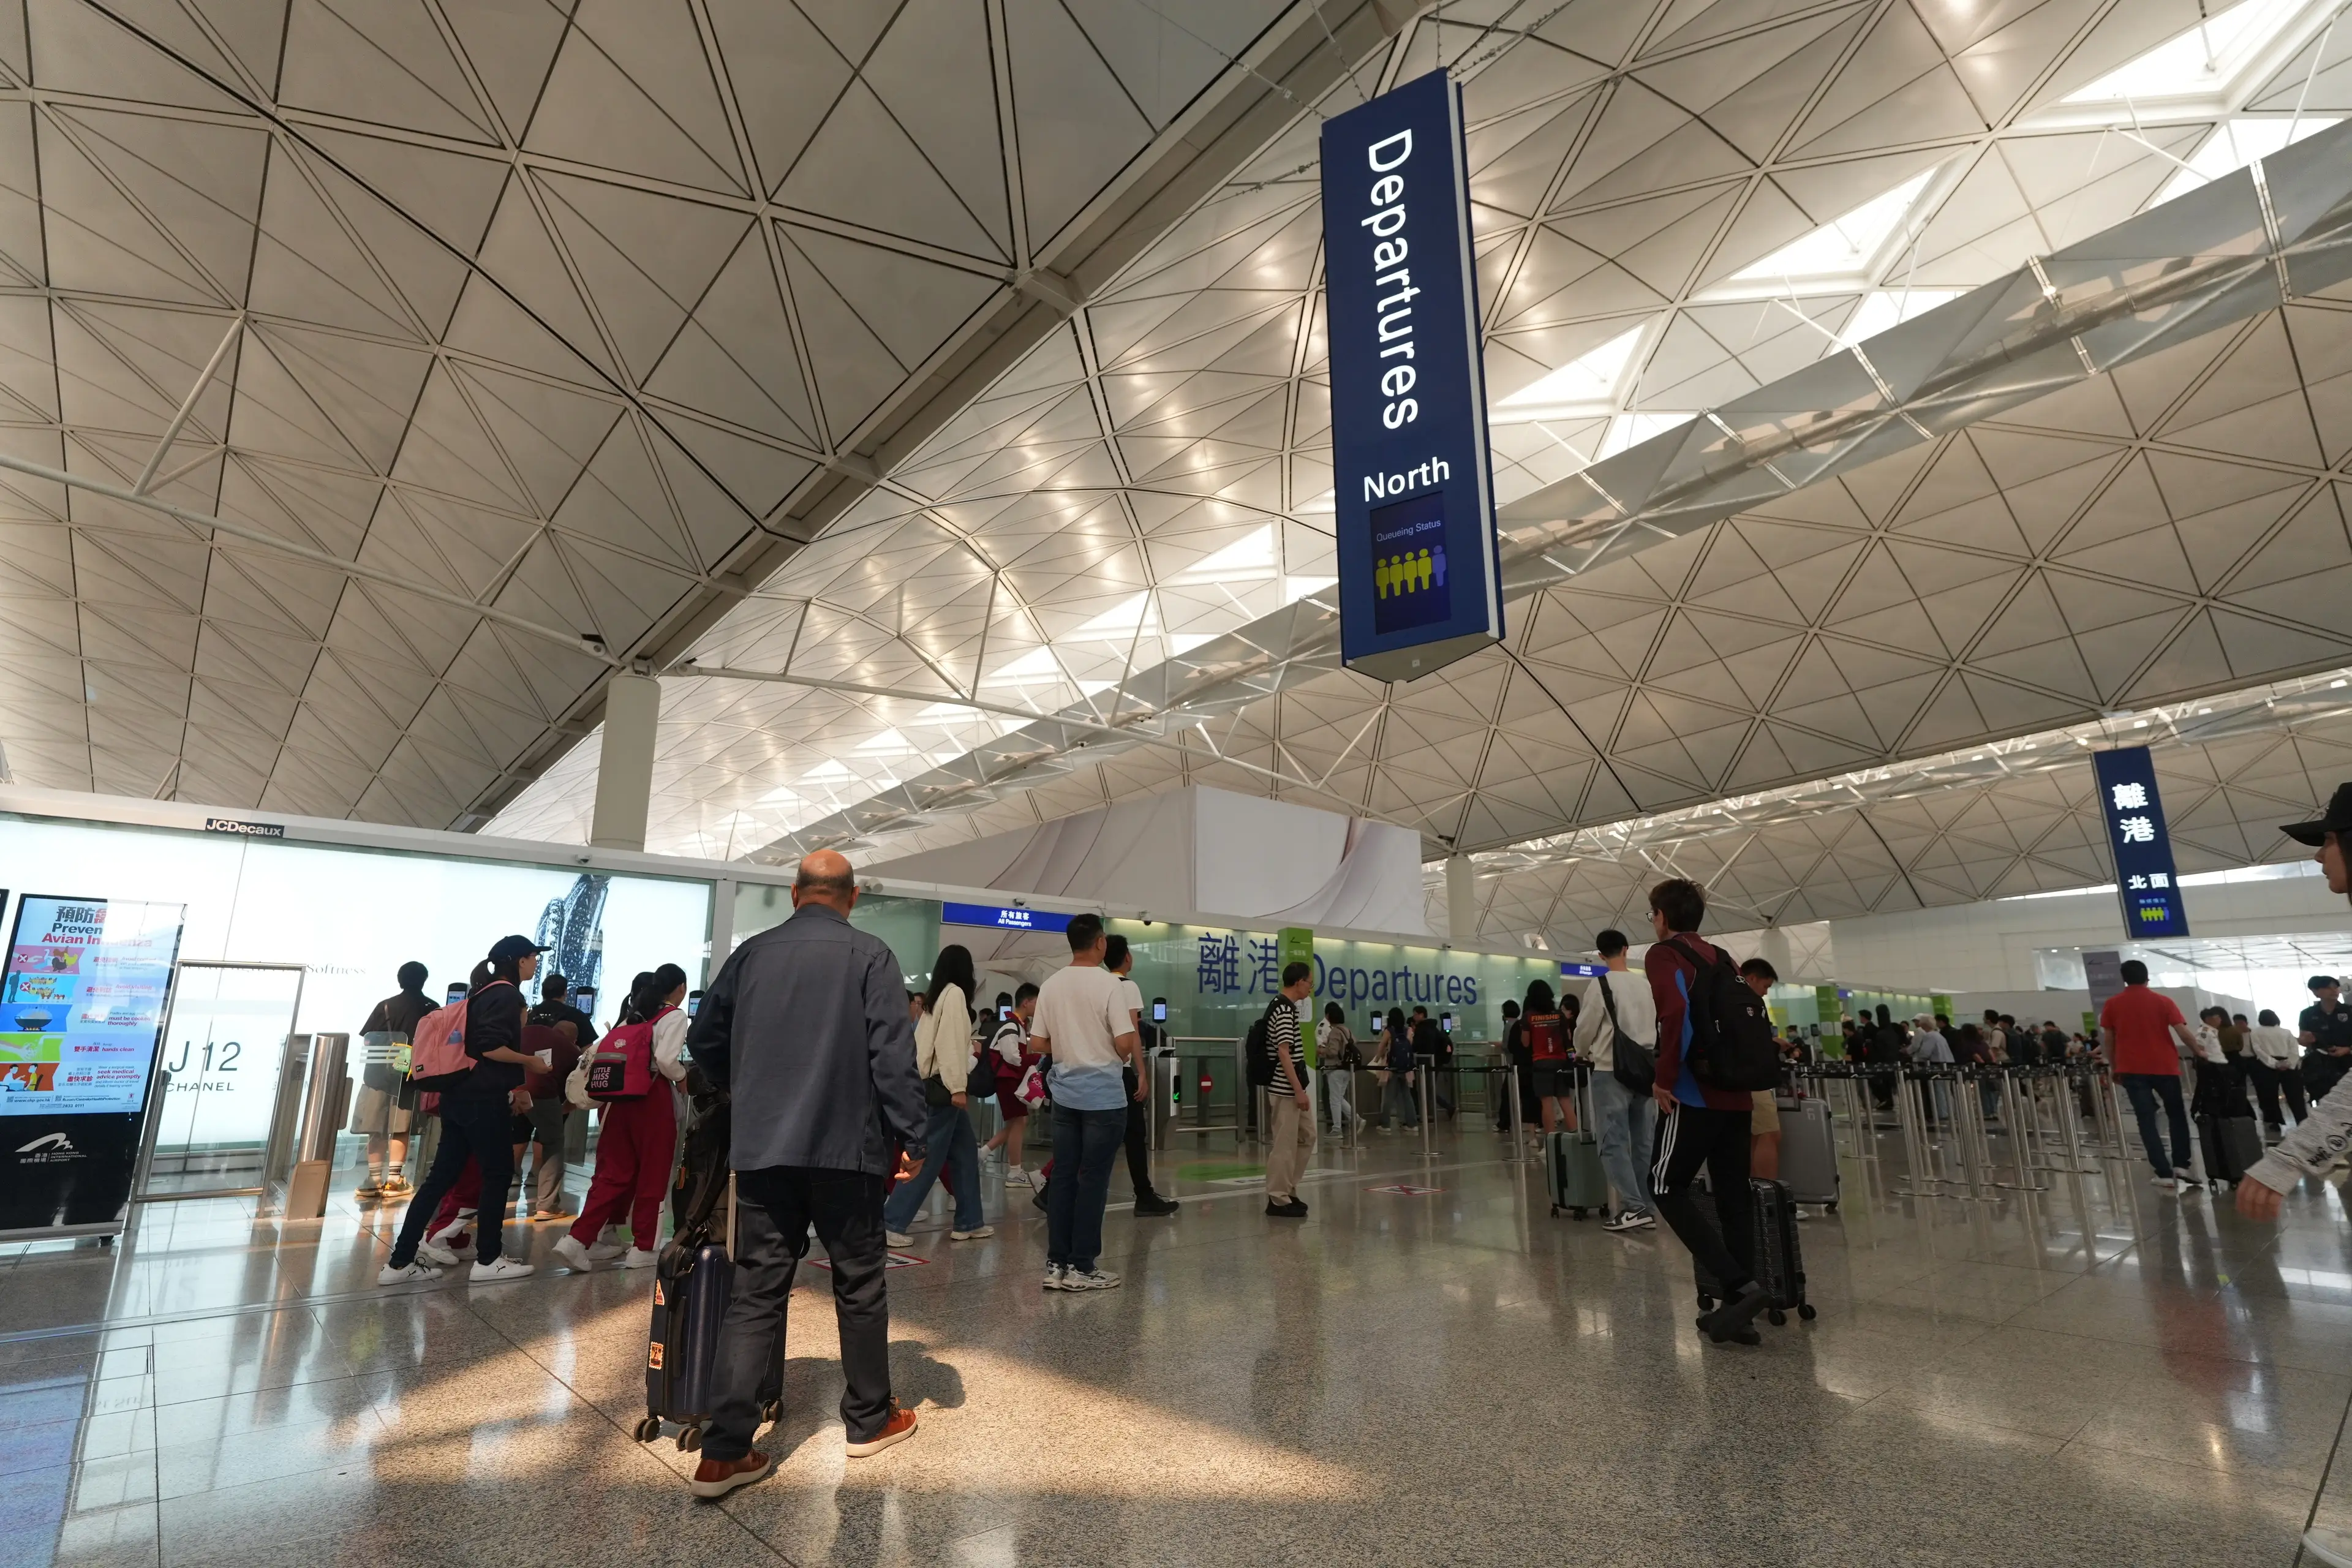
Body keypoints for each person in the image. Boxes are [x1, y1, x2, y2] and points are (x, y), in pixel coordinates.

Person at [684, 851, 928, 1496]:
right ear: (851, 898)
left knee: (756, 1290)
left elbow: (704, 1039)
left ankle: (724, 1452)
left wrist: (749, 1085)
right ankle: (868, 1421)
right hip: (848, 1148)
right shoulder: (871, 956)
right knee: (859, 1283)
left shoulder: (752, 956)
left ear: (796, 894)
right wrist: (911, 1136)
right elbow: (892, 1056)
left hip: (764, 1147)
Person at [1642, 878, 1770, 1346]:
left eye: (1652, 914)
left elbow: (1673, 1013)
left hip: (1694, 1093)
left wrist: (1664, 1077)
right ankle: (1741, 1315)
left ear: (1661, 917)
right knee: (1733, 1195)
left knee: (1664, 1184)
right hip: (1737, 1094)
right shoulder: (1723, 956)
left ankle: (1739, 1286)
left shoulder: (1663, 954)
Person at [377, 935, 546, 1285]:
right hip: (483, 1101)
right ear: (518, 961)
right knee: (498, 1175)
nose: (535, 962)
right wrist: (529, 1061)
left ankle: (399, 1262)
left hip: (458, 1098)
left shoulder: (480, 993)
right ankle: (489, 1260)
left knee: (439, 1179)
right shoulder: (505, 994)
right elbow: (488, 1046)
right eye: (532, 957)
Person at [556, 963, 691, 1270]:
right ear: (680, 988)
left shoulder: (632, 1016)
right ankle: (643, 1248)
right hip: (651, 1100)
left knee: (610, 1174)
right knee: (654, 1174)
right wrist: (682, 1077)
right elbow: (666, 1060)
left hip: (618, 1102)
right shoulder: (674, 1016)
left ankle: (576, 1240)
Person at [1032, 913, 1139, 1292]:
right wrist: (1103, 1049)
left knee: (1063, 1176)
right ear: (1100, 943)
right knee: (1093, 1179)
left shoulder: (1051, 985)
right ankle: (1083, 1267)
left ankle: (1056, 1264)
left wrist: (1070, 1048)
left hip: (1065, 1095)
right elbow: (1126, 1044)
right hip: (1104, 1099)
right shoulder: (1111, 985)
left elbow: (1037, 1044)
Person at [880, 945, 993, 1248]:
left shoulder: (936, 997)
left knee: (966, 1155)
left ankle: (970, 1221)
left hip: (930, 1086)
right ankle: (891, 1222)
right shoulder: (955, 994)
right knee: (927, 1160)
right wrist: (958, 1087)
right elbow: (950, 1045)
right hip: (942, 1089)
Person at [1572, 928, 1655, 1234]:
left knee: (1613, 1141)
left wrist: (1581, 1052)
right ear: (1626, 949)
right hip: (1646, 1069)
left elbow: (1585, 1029)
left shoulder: (1600, 984)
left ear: (1599, 955)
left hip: (1611, 1069)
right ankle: (1647, 1206)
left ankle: (1634, 1207)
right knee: (1644, 1141)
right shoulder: (1645, 984)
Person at [2096, 959, 2202, 1193]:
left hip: (2132, 1069)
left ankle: (2163, 1173)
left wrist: (2115, 1067)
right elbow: (2182, 1031)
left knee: (2146, 1120)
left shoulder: (2113, 1004)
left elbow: (2110, 1039)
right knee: (2176, 1115)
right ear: (2147, 978)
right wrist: (2198, 1052)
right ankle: (2181, 1166)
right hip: (2165, 1067)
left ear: (2124, 979)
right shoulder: (2163, 1001)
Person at [1100, 937, 1178, 1218]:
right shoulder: (1126, 985)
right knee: (1135, 1133)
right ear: (1127, 958)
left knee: (1098, 1133)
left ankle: (1052, 1191)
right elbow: (1132, 1032)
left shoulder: (1099, 983)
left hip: (1098, 1069)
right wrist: (1141, 1073)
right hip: (1121, 1071)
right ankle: (1144, 1196)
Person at [352, 961, 432, 1199]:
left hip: (377, 1076)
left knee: (376, 1127)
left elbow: (368, 1040)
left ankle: (374, 1180)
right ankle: (394, 1181)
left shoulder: (384, 1006)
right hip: (408, 1077)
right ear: (424, 980)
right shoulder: (431, 1008)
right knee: (401, 1127)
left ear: (400, 980)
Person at [516, 1007, 581, 1221]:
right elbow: (574, 1092)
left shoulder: (529, 1030)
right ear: (573, 1039)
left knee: (508, 1139)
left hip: (507, 1089)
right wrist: (562, 1110)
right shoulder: (572, 1052)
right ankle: (546, 1206)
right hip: (542, 1095)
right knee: (553, 1143)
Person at [1262, 963, 1316, 1218]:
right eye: (1309, 983)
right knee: (1284, 1144)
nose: (1310, 989)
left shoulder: (1287, 1007)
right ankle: (1277, 1198)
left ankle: (1288, 1188)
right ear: (1298, 982)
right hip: (1285, 1089)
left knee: (1307, 1135)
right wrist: (1298, 1090)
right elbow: (1284, 1052)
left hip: (1292, 1087)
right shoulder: (1283, 1008)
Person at [979, 983, 1038, 1180]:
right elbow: (1013, 1058)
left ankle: (984, 1152)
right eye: (1036, 1002)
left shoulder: (1016, 1025)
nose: (1039, 1007)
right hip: (1008, 1080)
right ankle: (1015, 1171)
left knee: (1018, 1122)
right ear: (1026, 1002)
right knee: (1019, 1122)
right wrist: (1037, 1059)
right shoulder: (1012, 1026)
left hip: (1010, 1080)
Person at [1738, 959, 1783, 1178]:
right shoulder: (1745, 1003)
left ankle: (1754, 1197)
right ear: (1751, 978)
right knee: (1769, 1134)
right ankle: (1767, 1197)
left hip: (1739, 1078)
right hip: (1751, 1078)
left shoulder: (1726, 997)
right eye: (1765, 986)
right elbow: (1752, 1043)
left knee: (1752, 1138)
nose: (1765, 993)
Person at [1521, 981, 1575, 1136]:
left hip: (1541, 1063)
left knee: (1547, 1103)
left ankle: (1552, 1142)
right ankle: (1577, 1138)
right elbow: (1568, 1038)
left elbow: (1525, 1043)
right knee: (1565, 1102)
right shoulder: (1559, 1015)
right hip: (1560, 1062)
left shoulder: (1529, 1017)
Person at [2247, 1007, 2307, 1139]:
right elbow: (2294, 1049)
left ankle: (2275, 1122)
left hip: (2265, 1066)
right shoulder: (2286, 1032)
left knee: (2269, 1096)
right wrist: (2289, 1063)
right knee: (2295, 1095)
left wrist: (2274, 1063)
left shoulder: (2256, 1032)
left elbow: (2258, 1050)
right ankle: (2301, 1120)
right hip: (2288, 1065)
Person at [2301, 974, 2352, 1104]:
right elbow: (2303, 1040)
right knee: (2325, 1104)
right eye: (2329, 988)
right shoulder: (2307, 1014)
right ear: (2315, 992)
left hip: (2348, 1064)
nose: (2334, 991)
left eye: (2336, 987)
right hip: (2320, 1068)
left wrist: (2347, 1049)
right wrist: (2305, 1040)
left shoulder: (2349, 1011)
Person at [1317, 1001, 1362, 1137]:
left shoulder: (1335, 1031)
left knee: (1334, 1100)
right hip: (1348, 1068)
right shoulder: (1347, 1030)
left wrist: (1322, 1050)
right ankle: (1357, 1119)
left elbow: (1333, 1052)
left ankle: (1337, 1129)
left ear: (1330, 1017)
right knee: (1339, 1098)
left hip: (1336, 1068)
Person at [1379, 1006, 1419, 1131]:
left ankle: (1385, 1125)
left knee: (1389, 1096)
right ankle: (1412, 1124)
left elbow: (1381, 1047)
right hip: (1406, 1068)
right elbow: (1410, 1047)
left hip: (1392, 1067)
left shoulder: (1389, 1031)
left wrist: (1377, 1059)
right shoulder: (1409, 1030)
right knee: (1407, 1096)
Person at [1411, 1005, 1451, 1115]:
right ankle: (1434, 1111)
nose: (1414, 1017)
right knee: (1429, 1088)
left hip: (1425, 1062)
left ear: (1421, 1015)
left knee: (1427, 1089)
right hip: (1436, 1062)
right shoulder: (1433, 1027)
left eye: (1415, 1014)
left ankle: (1433, 1112)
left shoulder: (1421, 1028)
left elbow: (1416, 1046)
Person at [1498, 997, 1528, 1132]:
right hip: (1524, 1064)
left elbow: (1507, 1046)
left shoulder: (1509, 1025)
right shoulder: (1521, 1023)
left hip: (1513, 1065)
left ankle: (1504, 1123)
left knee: (1507, 1094)